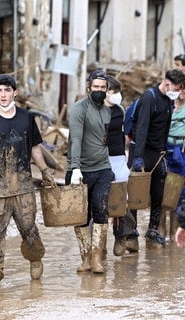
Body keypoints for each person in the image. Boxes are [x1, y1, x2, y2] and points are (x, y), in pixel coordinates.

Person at [0, 74, 56, 286]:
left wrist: (44, 170)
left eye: (7, 90)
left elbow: (35, 148)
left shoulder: (26, 118)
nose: (3, 95)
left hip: (23, 186)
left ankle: (35, 257)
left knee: (28, 228)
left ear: (14, 92)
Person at [126, 69, 185, 250]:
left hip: (158, 153)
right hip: (141, 151)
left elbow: (165, 126)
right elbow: (142, 128)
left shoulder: (168, 100)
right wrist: (137, 157)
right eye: (176, 88)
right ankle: (131, 233)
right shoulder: (149, 98)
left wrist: (164, 150)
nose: (177, 92)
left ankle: (152, 230)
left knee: (159, 193)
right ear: (166, 84)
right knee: (136, 194)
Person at [66, 69, 114, 274]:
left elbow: (107, 138)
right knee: (81, 216)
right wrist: (75, 167)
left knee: (101, 210)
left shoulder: (107, 110)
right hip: (81, 169)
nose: (99, 91)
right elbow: (75, 139)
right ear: (88, 88)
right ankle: (85, 257)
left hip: (103, 167)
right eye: (96, 87)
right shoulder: (79, 109)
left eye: (103, 88)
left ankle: (97, 258)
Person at [104, 75, 133, 256]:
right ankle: (98, 246)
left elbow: (123, 135)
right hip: (99, 158)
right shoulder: (96, 111)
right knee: (99, 201)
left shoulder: (120, 110)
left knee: (121, 199)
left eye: (117, 91)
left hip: (118, 157)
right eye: (113, 92)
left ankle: (121, 236)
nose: (116, 95)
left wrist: (125, 157)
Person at [159, 84, 185, 241]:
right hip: (164, 150)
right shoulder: (166, 106)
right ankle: (160, 228)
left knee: (179, 189)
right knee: (162, 188)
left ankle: (175, 229)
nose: (182, 92)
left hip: (181, 152)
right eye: (180, 88)